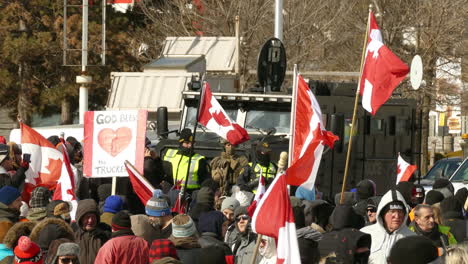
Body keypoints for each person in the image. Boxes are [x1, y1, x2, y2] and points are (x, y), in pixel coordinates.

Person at [360, 189, 415, 263]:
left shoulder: (412, 238)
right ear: (382, 214)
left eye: (400, 212)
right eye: (392, 211)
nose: (397, 216)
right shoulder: (365, 233)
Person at [163, 128, 209, 193]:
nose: (190, 146)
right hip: (173, 192)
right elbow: (162, 174)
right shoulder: (170, 155)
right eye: (187, 143)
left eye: (192, 143)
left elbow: (204, 181)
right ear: (181, 143)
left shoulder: (200, 160)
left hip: (192, 194)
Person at [74, 199, 111, 264]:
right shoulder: (73, 236)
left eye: (93, 217)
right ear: (81, 218)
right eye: (87, 217)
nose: (90, 220)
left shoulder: (105, 236)